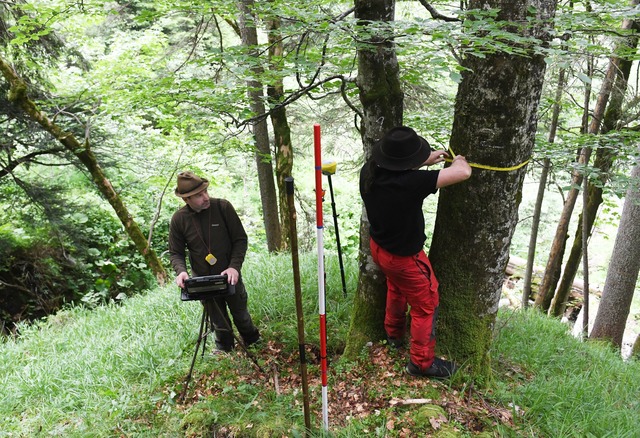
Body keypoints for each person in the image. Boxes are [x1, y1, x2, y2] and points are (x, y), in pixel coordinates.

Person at [359, 126, 471, 378]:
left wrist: (425, 159)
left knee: (396, 288)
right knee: (426, 304)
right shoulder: (411, 184)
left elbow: (399, 171)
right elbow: (462, 172)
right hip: (405, 259)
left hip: (380, 248)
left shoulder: (370, 170)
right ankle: (421, 363)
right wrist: (461, 159)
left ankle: (393, 334)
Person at [169, 171, 260, 352]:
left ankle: (253, 341)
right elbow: (175, 252)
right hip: (203, 281)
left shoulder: (223, 207)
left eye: (206, 191)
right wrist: (181, 271)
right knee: (218, 320)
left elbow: (240, 240)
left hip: (229, 276)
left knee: (241, 314)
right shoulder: (179, 219)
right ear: (186, 199)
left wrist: (234, 267)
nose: (205, 197)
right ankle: (225, 348)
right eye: (199, 195)